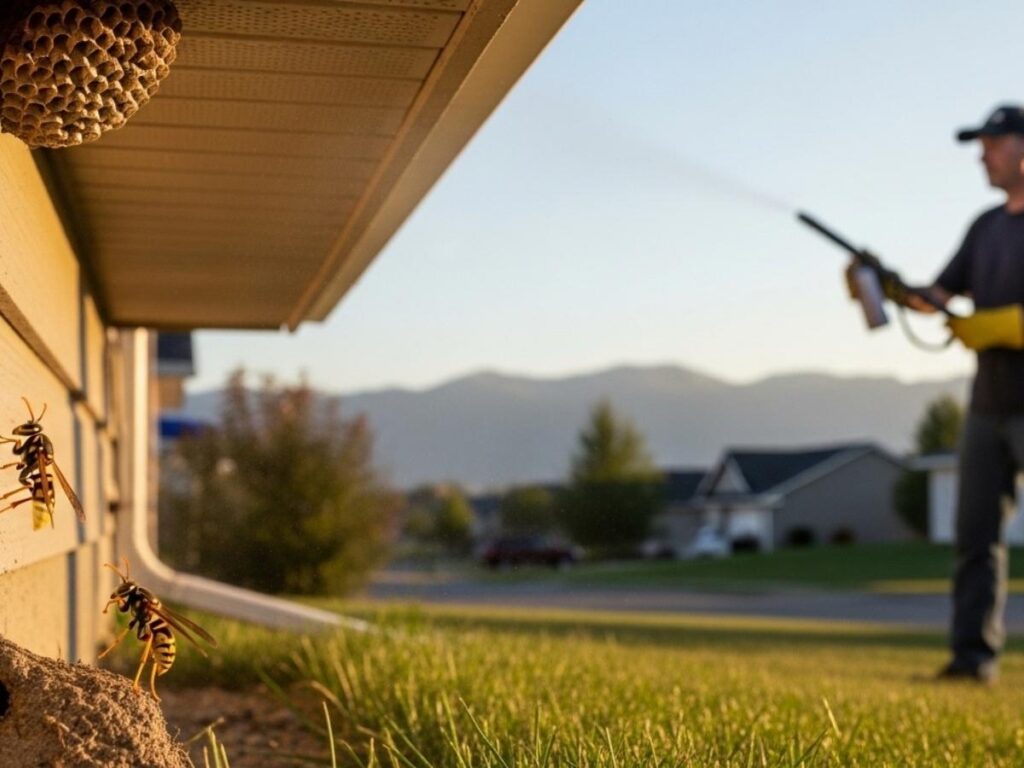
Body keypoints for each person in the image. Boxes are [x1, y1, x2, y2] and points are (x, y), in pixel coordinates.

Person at [901, 104, 1024, 683]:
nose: (983, 155)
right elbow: (940, 293)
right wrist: (893, 288)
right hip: (987, 406)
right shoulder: (985, 227)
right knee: (975, 538)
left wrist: (1001, 324)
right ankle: (972, 660)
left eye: (993, 144)